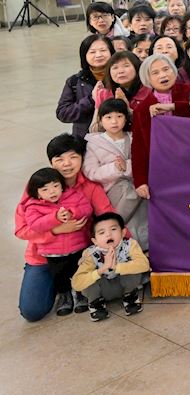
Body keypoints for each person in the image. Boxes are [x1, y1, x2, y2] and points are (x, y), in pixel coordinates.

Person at [19, 167, 94, 316]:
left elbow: (87, 208)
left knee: (79, 271)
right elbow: (35, 224)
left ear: (62, 185)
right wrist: (55, 219)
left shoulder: (74, 195)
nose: (52, 192)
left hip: (78, 247)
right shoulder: (33, 206)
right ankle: (64, 295)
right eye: (45, 189)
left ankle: (80, 293)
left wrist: (73, 212)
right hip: (52, 252)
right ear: (37, 193)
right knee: (59, 275)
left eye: (55, 186)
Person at [82, 98, 146, 247]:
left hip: (137, 187)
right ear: (100, 120)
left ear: (126, 118)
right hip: (112, 191)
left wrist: (127, 166)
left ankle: (141, 248)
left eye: (119, 116)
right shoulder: (94, 143)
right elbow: (91, 171)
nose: (114, 121)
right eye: (108, 117)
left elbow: (144, 162)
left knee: (142, 220)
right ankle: (113, 234)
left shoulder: (134, 137)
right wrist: (116, 168)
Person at [130, 54, 190, 201]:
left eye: (166, 69)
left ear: (174, 71)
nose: (163, 75)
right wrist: (140, 181)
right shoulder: (142, 109)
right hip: (163, 167)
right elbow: (138, 147)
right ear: (148, 79)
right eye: (155, 73)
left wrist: (173, 106)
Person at [70, 212, 149, 321]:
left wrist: (116, 266)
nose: (108, 235)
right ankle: (96, 303)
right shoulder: (90, 254)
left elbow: (144, 265)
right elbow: (76, 283)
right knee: (86, 280)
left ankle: (130, 297)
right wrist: (102, 269)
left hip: (124, 286)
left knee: (134, 268)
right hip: (103, 291)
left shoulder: (130, 245)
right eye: (102, 232)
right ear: (95, 241)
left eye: (113, 229)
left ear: (123, 232)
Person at [58, 35, 113, 137]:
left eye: (103, 50)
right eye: (92, 52)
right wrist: (91, 100)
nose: (98, 55)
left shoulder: (119, 77)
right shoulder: (75, 81)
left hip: (118, 137)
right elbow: (63, 113)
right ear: (84, 55)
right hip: (84, 139)